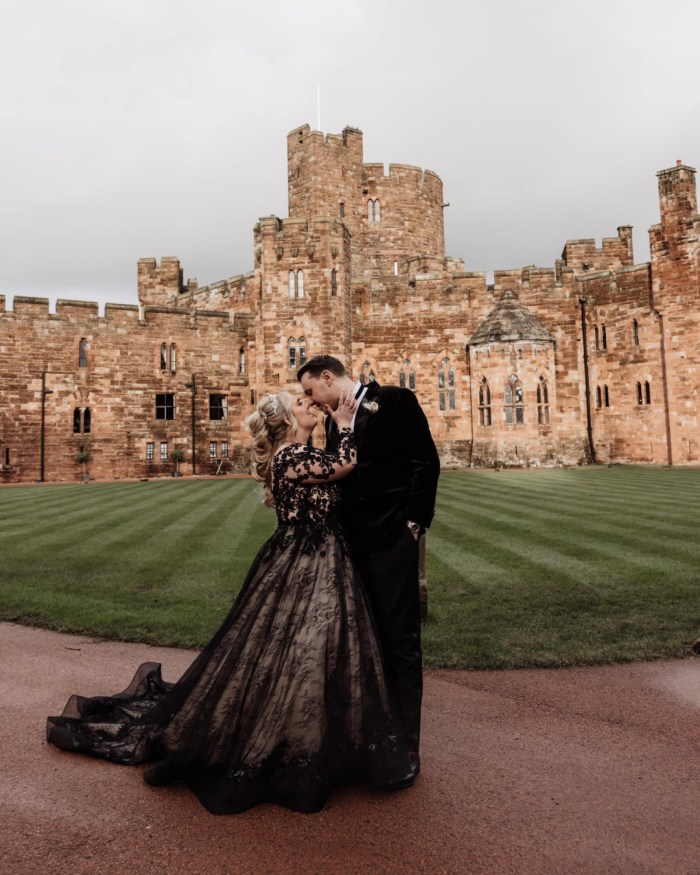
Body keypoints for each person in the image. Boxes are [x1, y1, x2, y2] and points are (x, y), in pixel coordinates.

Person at [46, 390, 411, 815]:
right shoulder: (289, 457)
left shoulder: (300, 451)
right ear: (286, 422)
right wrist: (347, 423)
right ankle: (291, 740)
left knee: (312, 649)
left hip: (325, 561)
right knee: (302, 648)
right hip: (303, 564)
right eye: (300, 402)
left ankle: (317, 736)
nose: (308, 404)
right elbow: (345, 464)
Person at [298, 355, 440, 789]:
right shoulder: (331, 422)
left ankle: (407, 745)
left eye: (310, 392)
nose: (310, 400)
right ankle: (367, 739)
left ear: (328, 378)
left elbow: (425, 463)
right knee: (361, 640)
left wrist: (414, 526)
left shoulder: (395, 400)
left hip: (393, 543)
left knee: (399, 641)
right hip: (349, 547)